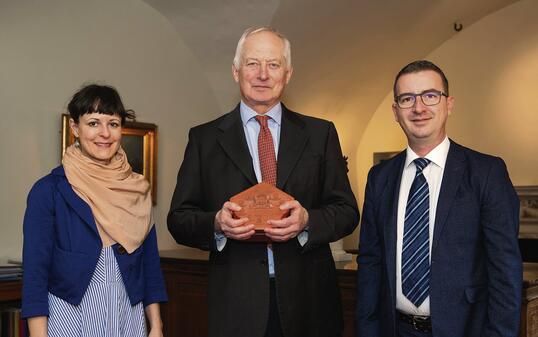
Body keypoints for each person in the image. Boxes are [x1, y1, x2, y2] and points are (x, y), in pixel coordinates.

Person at [168, 26, 359, 337]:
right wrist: (217, 223)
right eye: (252, 63)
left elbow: (347, 211)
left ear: (287, 73)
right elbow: (178, 219)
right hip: (236, 305)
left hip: (309, 303)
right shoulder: (203, 139)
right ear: (236, 71)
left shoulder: (320, 134)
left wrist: (308, 220)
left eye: (273, 64)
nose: (262, 74)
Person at [356, 60, 522, 337]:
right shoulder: (380, 178)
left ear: (449, 104)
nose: (419, 108)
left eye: (430, 96)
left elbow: (505, 269)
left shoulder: (486, 172)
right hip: (395, 329)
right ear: (396, 112)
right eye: (407, 99)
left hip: (466, 329)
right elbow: (370, 264)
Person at [22, 84, 167, 337]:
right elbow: (35, 274)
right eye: (93, 123)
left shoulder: (137, 190)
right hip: (69, 315)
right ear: (75, 128)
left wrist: (156, 325)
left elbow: (149, 264)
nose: (104, 133)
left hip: (128, 313)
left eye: (113, 123)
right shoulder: (48, 191)